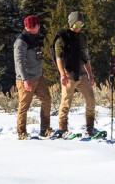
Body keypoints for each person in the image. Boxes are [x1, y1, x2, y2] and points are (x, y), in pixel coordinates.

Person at [52, 11, 99, 139]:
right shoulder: (62, 37)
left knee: (91, 100)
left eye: (81, 24)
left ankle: (90, 128)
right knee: (66, 102)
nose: (79, 26)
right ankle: (62, 129)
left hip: (82, 73)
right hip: (68, 73)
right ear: (71, 23)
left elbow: (85, 56)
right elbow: (58, 58)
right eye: (77, 23)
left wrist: (90, 74)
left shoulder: (82, 37)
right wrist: (62, 74)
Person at [14, 15, 51, 139]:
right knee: (24, 106)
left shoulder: (37, 37)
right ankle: (21, 133)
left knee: (47, 100)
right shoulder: (21, 41)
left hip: (38, 76)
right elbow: (19, 61)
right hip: (25, 79)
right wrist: (25, 79)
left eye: (35, 27)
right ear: (26, 27)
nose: (33, 30)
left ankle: (45, 129)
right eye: (30, 28)